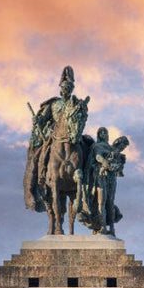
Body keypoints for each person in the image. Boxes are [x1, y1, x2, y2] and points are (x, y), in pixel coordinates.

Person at [24, 66, 86, 212]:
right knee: (42, 152)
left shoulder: (75, 104)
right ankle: (41, 175)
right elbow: (43, 118)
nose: (67, 90)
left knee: (86, 147)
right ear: (60, 89)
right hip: (55, 135)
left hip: (72, 134)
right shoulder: (53, 104)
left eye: (69, 88)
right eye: (65, 88)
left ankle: (89, 176)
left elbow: (80, 119)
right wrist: (37, 120)